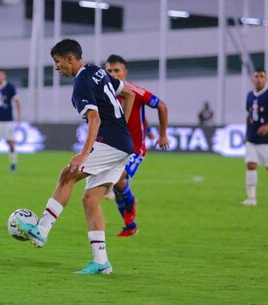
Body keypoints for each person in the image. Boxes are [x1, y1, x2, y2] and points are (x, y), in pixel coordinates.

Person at [16, 39, 135, 274]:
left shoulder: (82, 81)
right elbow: (129, 93)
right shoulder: (97, 71)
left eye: (58, 62)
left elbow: (95, 118)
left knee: (67, 174)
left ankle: (42, 230)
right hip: (122, 144)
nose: (57, 67)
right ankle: (101, 262)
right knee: (90, 199)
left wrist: (83, 153)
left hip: (110, 142)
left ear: (70, 59)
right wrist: (123, 128)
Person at [104, 54, 169, 237]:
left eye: (117, 70)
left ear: (125, 72)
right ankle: (129, 225)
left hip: (135, 148)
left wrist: (163, 135)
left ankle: (131, 204)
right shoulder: (105, 93)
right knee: (118, 186)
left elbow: (162, 106)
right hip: (114, 148)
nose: (113, 74)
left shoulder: (135, 91)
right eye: (109, 70)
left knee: (117, 179)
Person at [242, 69, 268, 206]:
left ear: (266, 79)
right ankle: (251, 199)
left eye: (261, 76)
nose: (259, 79)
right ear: (253, 79)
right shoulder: (250, 96)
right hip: (253, 139)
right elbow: (249, 116)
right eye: (256, 77)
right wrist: (246, 134)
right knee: (251, 165)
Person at [0, 70, 21, 172]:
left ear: (4, 76)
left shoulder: (10, 87)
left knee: (10, 142)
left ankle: (13, 163)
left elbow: (17, 101)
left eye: (0, 74)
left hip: (8, 120)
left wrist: (19, 115)